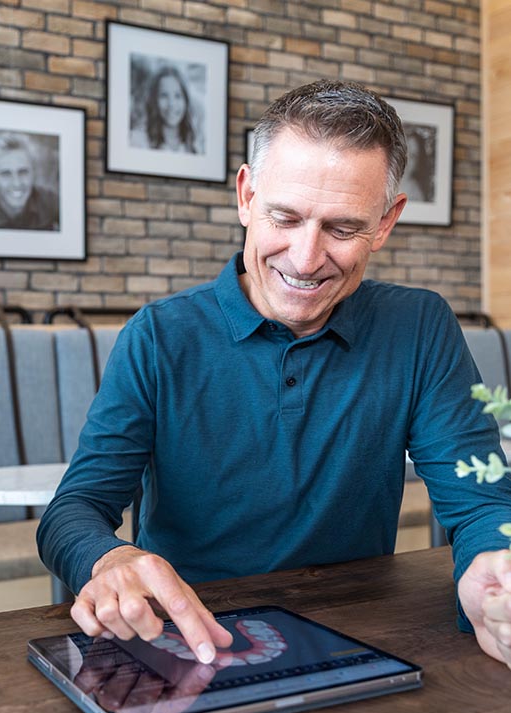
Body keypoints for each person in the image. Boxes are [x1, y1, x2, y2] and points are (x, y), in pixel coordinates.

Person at [38, 80, 511, 673]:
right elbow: (74, 509)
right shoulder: (159, 336)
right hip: (189, 640)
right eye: (284, 217)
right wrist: (110, 559)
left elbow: (479, 503)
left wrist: (493, 575)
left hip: (357, 640)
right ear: (246, 196)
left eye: (342, 229)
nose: (306, 258)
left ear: (386, 222)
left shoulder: (419, 326)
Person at [0, 132, 59, 231]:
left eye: (23, 172)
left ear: (34, 172)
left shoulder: (52, 202)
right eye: (6, 174)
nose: (17, 183)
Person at [130, 65, 199, 154]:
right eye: (164, 95)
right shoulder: (138, 141)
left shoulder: (195, 145)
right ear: (154, 100)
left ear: (186, 100)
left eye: (177, 96)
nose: (171, 104)